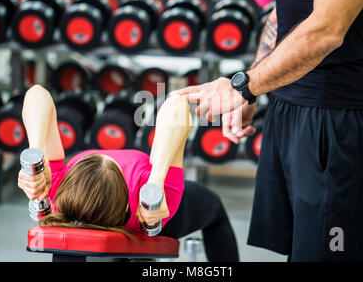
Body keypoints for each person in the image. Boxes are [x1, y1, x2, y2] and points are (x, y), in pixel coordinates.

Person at [173, 0, 363, 261]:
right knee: (301, 249)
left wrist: (244, 86)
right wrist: (252, 89)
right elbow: (290, 1)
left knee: (329, 255)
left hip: (330, 115)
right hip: (285, 105)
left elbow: (326, 31)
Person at [17, 85, 239, 262]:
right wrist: (156, 183)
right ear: (125, 204)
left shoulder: (55, 192)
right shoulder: (156, 200)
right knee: (215, 209)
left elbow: (37, 94)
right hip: (161, 217)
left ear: (69, 182)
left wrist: (36, 156)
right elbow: (177, 105)